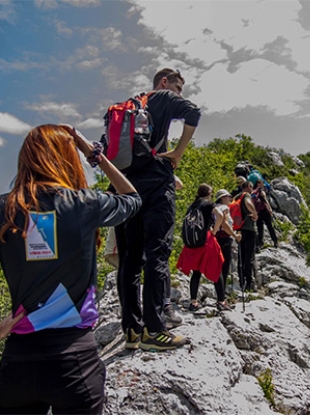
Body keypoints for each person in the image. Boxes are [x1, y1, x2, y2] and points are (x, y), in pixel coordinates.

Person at [0, 125, 141, 414]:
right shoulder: (86, 205)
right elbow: (133, 198)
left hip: (19, 365)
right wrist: (93, 153)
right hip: (75, 363)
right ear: (68, 159)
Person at [113, 68, 200, 351]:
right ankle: (155, 329)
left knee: (129, 259)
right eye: (178, 87)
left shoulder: (131, 106)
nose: (179, 94)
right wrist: (177, 153)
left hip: (126, 187)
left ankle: (131, 331)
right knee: (157, 254)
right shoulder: (162, 96)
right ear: (165, 82)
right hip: (155, 187)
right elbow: (193, 113)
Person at [176, 184, 228, 311]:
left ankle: (193, 302)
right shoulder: (208, 204)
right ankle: (221, 301)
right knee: (217, 269)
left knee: (196, 272)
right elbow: (220, 215)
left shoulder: (192, 205)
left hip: (193, 244)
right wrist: (214, 231)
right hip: (206, 241)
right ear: (209, 193)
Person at [213, 188, 241, 307]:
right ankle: (222, 299)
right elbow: (224, 225)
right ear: (222, 198)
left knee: (218, 267)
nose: (230, 198)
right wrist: (235, 235)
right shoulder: (224, 208)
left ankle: (220, 296)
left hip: (215, 239)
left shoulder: (213, 208)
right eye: (228, 197)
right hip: (224, 239)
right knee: (224, 268)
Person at [236, 180, 258, 291]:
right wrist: (254, 214)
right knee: (249, 257)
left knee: (241, 256)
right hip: (248, 229)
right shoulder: (246, 196)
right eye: (252, 186)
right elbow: (248, 203)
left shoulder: (236, 197)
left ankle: (241, 280)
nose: (252, 189)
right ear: (248, 186)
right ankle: (248, 282)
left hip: (238, 229)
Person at [253, 179, 278, 251]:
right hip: (264, 211)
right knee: (270, 226)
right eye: (262, 183)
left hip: (258, 212)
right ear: (258, 184)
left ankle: (260, 244)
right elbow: (265, 200)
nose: (263, 184)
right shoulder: (261, 191)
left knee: (260, 229)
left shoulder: (254, 192)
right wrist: (270, 209)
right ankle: (275, 241)